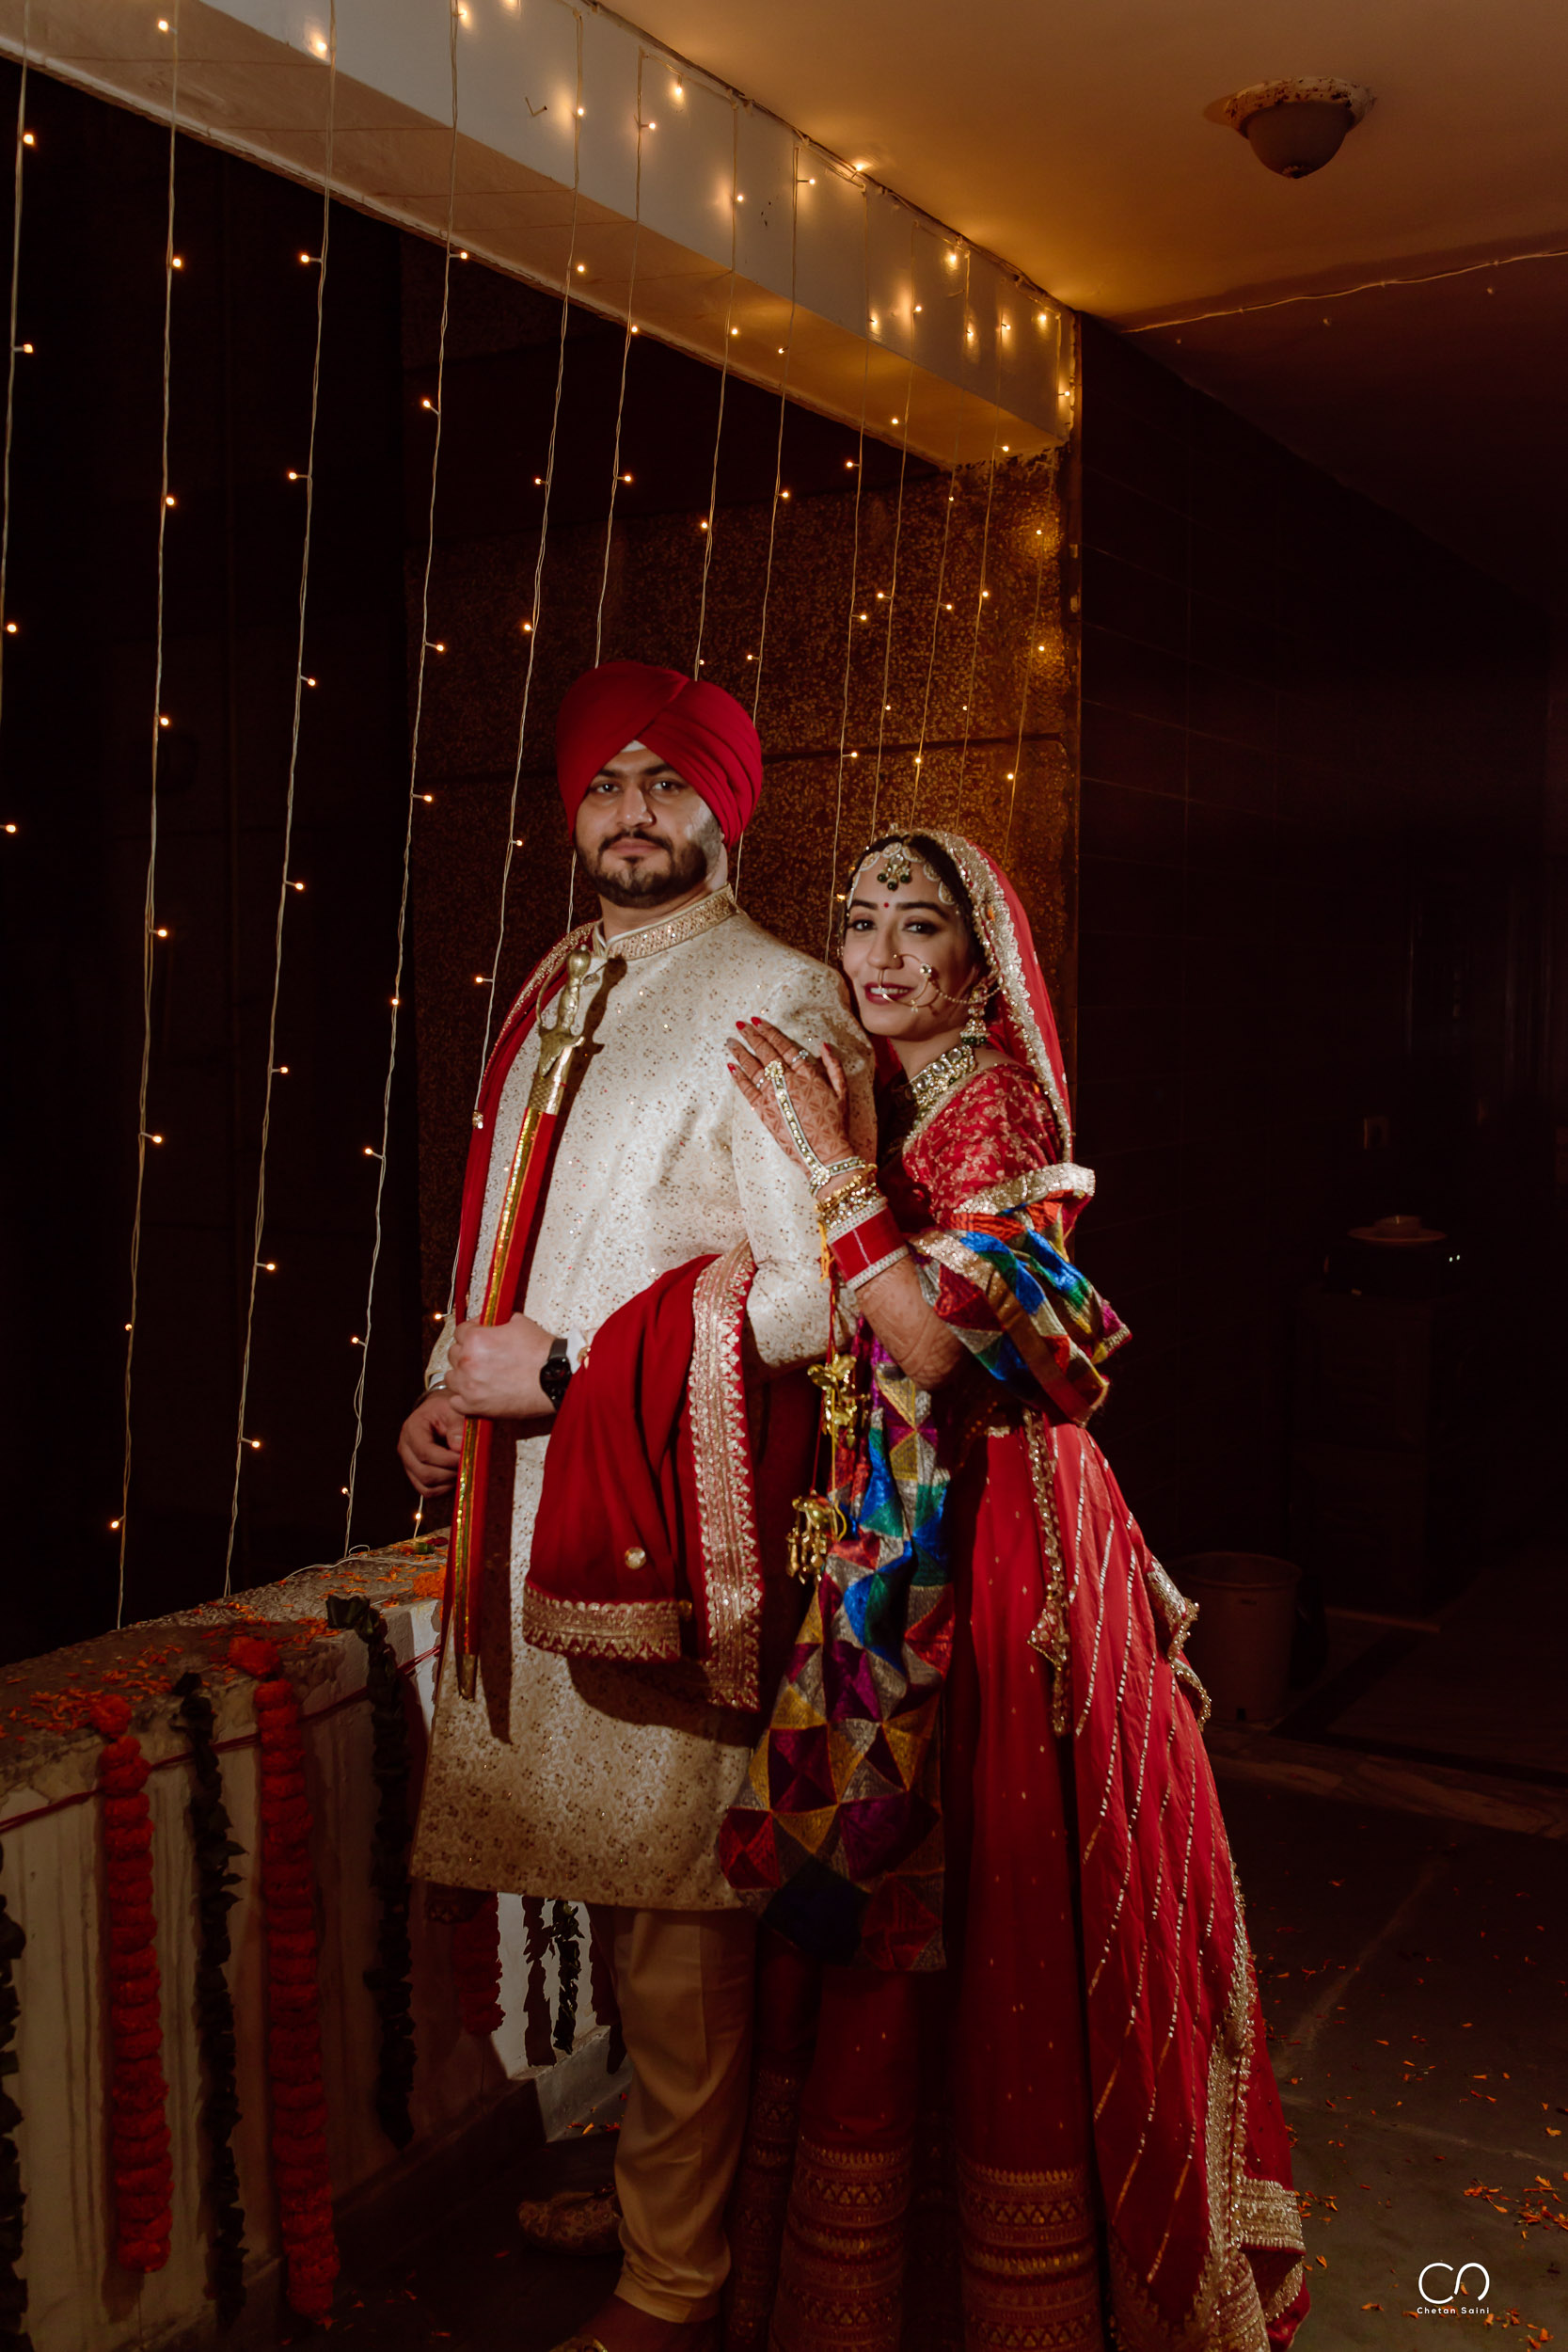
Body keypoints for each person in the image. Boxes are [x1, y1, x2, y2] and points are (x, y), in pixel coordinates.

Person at [715, 830, 1308, 2352]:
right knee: (906, 1856)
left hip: (996, 1534)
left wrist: (828, 1161)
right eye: (860, 920)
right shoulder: (893, 1087)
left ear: (980, 968)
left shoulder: (999, 1109)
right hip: (898, 1520)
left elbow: (927, 1346)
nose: (878, 954)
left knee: (999, 1865)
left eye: (919, 927)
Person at [402, 660, 874, 2352]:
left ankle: (677, 2283)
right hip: (526, 1507)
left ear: (725, 808)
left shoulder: (783, 997)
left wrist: (567, 1367)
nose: (631, 813)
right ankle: (663, 2198)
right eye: (604, 783)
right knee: (612, 1894)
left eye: (668, 782)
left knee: (678, 1918)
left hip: (676, 1515)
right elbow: (506, 1229)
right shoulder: (558, 981)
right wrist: (451, 1387)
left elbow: (822, 1297)